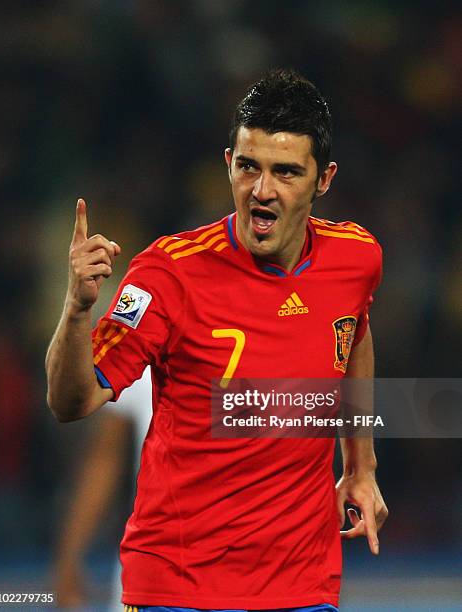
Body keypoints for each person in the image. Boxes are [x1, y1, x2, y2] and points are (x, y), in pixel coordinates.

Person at [46, 69, 388, 611]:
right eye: (249, 166)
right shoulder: (166, 274)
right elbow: (73, 401)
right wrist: (75, 311)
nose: (262, 190)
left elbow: (355, 333)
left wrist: (360, 466)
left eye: (286, 172)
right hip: (177, 589)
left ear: (324, 180)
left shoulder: (356, 257)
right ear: (228, 163)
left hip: (304, 586)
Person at [53, 369, 152, 610]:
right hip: (151, 571)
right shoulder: (148, 347)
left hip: (241, 574)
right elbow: (105, 459)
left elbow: (251, 459)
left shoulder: (253, 350)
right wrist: (69, 556)